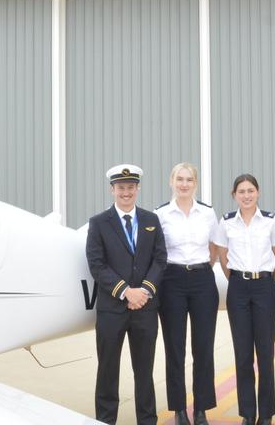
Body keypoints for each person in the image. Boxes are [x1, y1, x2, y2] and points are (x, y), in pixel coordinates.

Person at [86, 164, 168, 425]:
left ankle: (147, 420)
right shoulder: (99, 223)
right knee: (108, 370)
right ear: (112, 190)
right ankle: (106, 420)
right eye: (121, 188)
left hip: (144, 307)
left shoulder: (151, 221)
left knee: (144, 372)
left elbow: (160, 259)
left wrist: (144, 291)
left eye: (130, 187)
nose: (126, 192)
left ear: (138, 188)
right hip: (112, 308)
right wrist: (125, 292)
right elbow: (96, 263)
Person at [212, 174, 275, 425]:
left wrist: (264, 280)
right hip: (238, 287)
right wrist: (240, 280)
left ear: (258, 193)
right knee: (242, 354)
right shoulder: (226, 222)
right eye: (241, 191)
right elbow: (223, 256)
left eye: (250, 190)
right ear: (234, 195)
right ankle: (247, 413)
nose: (246, 195)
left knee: (265, 353)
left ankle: (266, 414)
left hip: (264, 285)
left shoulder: (271, 222)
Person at [155, 162, 219, 425]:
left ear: (195, 184)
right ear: (171, 182)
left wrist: (201, 269)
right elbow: (157, 251)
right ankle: (179, 408)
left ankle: (202, 408)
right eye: (179, 179)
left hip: (203, 279)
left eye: (189, 180)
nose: (184, 184)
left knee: (203, 347)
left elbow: (215, 248)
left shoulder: (207, 213)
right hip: (171, 280)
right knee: (175, 348)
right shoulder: (160, 214)